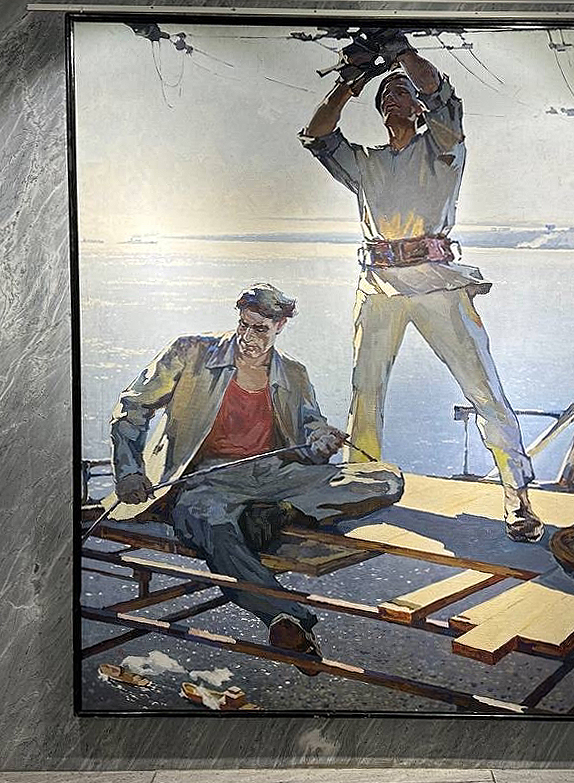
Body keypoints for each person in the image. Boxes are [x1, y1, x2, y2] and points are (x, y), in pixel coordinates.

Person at [298, 30, 544, 542]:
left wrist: (402, 53)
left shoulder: (443, 148)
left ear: (418, 108)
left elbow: (439, 93)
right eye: (385, 95)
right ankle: (361, 484)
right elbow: (318, 134)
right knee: (366, 391)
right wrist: (351, 80)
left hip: (437, 283)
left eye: (402, 93)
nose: (393, 97)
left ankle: (517, 496)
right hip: (378, 285)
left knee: (482, 387)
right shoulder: (366, 163)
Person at [110, 284, 404, 671]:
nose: (249, 337)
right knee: (212, 525)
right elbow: (132, 407)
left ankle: (280, 511)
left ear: (280, 326)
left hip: (272, 475)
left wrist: (321, 440)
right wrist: (129, 471)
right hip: (205, 479)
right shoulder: (190, 351)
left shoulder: (294, 374)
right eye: (244, 325)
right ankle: (284, 617)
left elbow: (309, 433)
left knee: (386, 479)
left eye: (260, 329)